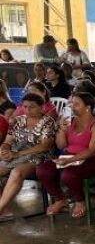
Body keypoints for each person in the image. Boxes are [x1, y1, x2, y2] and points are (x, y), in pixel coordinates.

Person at [36, 93, 95, 219]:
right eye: (71, 103)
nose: (72, 107)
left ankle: (79, 201)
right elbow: (61, 145)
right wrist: (61, 130)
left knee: (68, 174)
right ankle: (59, 199)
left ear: (88, 107)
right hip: (69, 158)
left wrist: (70, 160)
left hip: (92, 160)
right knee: (43, 170)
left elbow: (91, 151)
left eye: (77, 104)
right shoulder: (70, 122)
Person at [0, 94, 57, 222]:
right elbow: (8, 141)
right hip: (17, 153)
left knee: (17, 172)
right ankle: (4, 209)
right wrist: (4, 149)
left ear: (41, 107)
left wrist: (17, 154)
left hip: (39, 155)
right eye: (25, 107)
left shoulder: (47, 122)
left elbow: (44, 146)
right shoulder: (18, 120)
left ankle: (0, 208)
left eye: (32, 107)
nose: (27, 110)